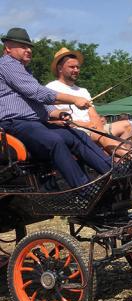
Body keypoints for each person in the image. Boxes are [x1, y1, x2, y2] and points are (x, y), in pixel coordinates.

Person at [0, 27, 111, 188]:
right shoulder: (7, 65)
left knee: (78, 136)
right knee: (55, 141)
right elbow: (37, 92)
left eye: (29, 46)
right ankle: (85, 189)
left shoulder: (24, 70)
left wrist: (57, 113)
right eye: (23, 46)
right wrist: (74, 99)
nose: (29, 50)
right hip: (15, 123)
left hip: (34, 124)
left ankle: (113, 172)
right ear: (8, 47)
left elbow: (39, 101)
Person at [46, 47, 132, 154]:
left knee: (127, 125)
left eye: (78, 67)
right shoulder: (50, 88)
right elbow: (53, 119)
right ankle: (131, 159)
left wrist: (98, 127)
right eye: (72, 67)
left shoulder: (83, 91)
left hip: (93, 129)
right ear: (60, 68)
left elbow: (93, 114)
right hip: (73, 131)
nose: (76, 70)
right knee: (100, 135)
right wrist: (89, 126)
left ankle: (119, 163)